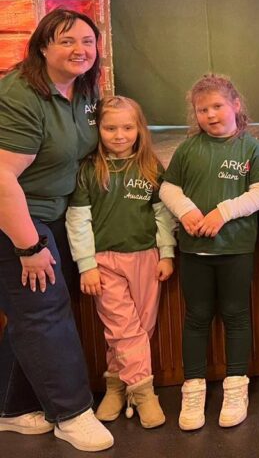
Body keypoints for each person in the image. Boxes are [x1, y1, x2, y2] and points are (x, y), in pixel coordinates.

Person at [0, 9, 114, 452]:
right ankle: (72, 414)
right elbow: (2, 178)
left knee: (29, 314)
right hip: (18, 219)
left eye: (87, 41)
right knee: (46, 315)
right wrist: (28, 247)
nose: (79, 50)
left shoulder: (84, 88)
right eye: (66, 41)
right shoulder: (20, 94)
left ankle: (9, 408)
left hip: (56, 214)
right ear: (42, 47)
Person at [160, 74, 259, 430]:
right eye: (202, 109)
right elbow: (168, 188)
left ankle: (236, 387)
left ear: (235, 105)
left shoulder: (251, 149)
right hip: (194, 250)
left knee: (236, 316)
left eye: (217, 106)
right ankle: (193, 389)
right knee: (196, 317)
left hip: (236, 248)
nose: (210, 114)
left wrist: (223, 213)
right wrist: (187, 212)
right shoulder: (188, 149)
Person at [66, 95, 174, 428]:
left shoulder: (151, 166)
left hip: (146, 257)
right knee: (123, 328)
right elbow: (78, 219)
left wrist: (167, 253)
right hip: (104, 262)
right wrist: (86, 264)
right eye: (110, 128)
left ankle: (116, 385)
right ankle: (144, 393)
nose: (119, 135)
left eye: (127, 127)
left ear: (139, 129)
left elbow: (163, 215)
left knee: (139, 328)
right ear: (97, 129)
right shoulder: (89, 169)